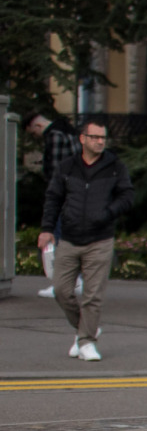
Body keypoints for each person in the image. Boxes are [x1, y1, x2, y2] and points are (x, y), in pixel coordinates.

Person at [40, 115, 132, 360]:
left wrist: (106, 214)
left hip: (100, 240)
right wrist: (47, 229)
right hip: (69, 239)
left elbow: (126, 197)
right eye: (95, 137)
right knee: (61, 290)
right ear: (83, 139)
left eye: (103, 137)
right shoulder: (68, 167)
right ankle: (85, 328)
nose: (100, 142)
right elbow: (53, 198)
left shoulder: (115, 167)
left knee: (92, 295)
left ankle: (87, 342)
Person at [25, 110, 76, 298]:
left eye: (33, 133)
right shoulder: (70, 133)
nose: (36, 137)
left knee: (56, 237)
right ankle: (74, 280)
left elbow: (55, 170)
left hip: (62, 194)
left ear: (37, 126)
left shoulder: (54, 136)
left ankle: (61, 284)